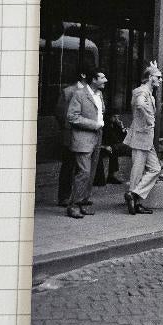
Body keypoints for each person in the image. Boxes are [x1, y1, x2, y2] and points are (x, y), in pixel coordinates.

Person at [65, 67, 108, 218]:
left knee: (92, 172)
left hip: (97, 137)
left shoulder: (99, 94)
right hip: (83, 138)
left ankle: (83, 202)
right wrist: (93, 124)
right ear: (94, 80)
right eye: (102, 78)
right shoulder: (79, 94)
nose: (105, 80)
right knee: (84, 172)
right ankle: (74, 205)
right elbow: (72, 117)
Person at [123, 62, 163, 215]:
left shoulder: (148, 92)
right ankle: (134, 199)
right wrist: (148, 118)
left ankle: (134, 195)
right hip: (141, 137)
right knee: (137, 171)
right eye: (158, 77)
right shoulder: (142, 91)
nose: (160, 80)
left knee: (155, 168)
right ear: (149, 78)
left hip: (146, 138)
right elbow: (140, 104)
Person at [55, 71, 86, 207]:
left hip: (84, 134)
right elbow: (61, 114)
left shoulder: (89, 91)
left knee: (82, 167)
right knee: (68, 165)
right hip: (70, 133)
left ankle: (78, 196)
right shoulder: (68, 91)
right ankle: (64, 196)